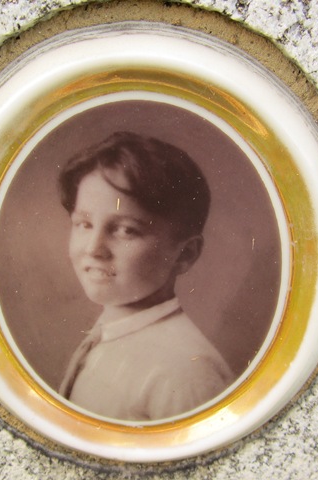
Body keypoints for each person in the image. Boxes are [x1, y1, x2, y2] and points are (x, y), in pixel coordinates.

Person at [57, 131, 234, 421]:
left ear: (185, 254)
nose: (94, 249)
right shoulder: (108, 331)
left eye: (126, 230)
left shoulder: (187, 373)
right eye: (84, 224)